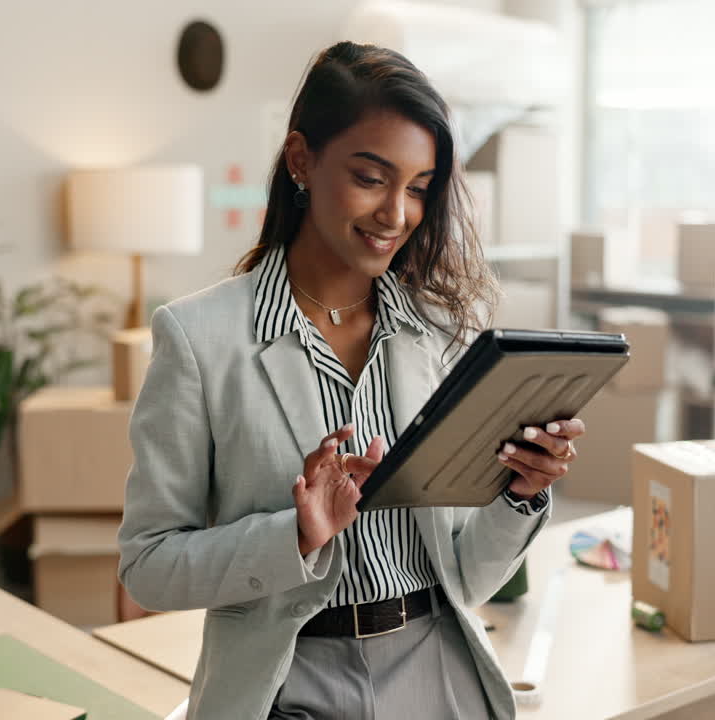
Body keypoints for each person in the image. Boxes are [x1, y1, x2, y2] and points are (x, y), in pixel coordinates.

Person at [118, 41, 585, 720]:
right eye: (371, 178)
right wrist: (296, 535)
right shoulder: (197, 338)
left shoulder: (440, 333)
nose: (396, 214)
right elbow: (147, 568)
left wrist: (520, 492)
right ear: (302, 160)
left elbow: (466, 578)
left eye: (418, 188)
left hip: (438, 670)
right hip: (290, 682)